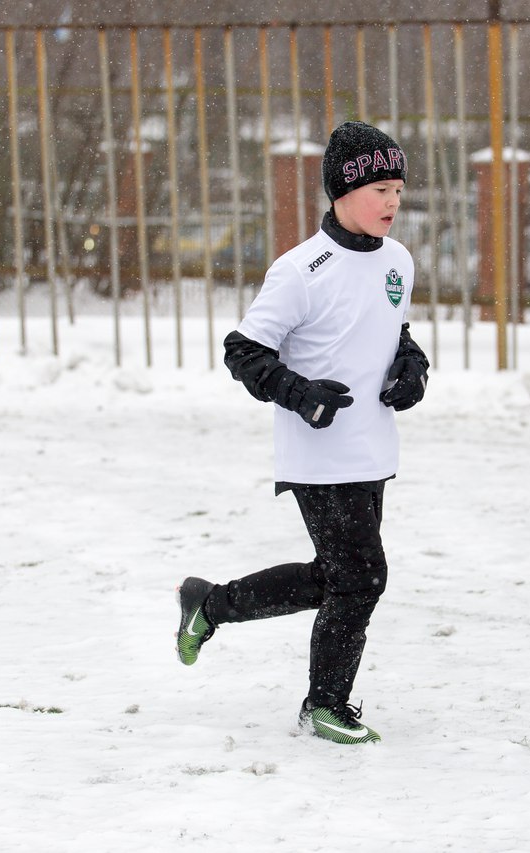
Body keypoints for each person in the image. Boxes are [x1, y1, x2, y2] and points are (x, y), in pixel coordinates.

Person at [174, 121, 429, 745]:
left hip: (372, 447)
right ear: (343, 189)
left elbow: (390, 334)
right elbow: (244, 350)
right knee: (363, 575)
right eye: (380, 189)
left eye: (398, 188)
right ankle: (326, 706)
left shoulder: (399, 261)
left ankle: (211, 604)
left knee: (334, 577)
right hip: (317, 452)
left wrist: (412, 369)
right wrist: (300, 394)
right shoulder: (301, 271)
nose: (393, 201)